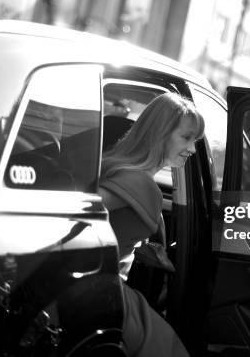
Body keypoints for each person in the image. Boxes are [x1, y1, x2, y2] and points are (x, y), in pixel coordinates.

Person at [98, 93, 204, 357]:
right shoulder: (141, 184)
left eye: (196, 140)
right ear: (160, 134)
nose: (192, 149)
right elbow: (79, 209)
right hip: (105, 295)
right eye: (186, 137)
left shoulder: (119, 168)